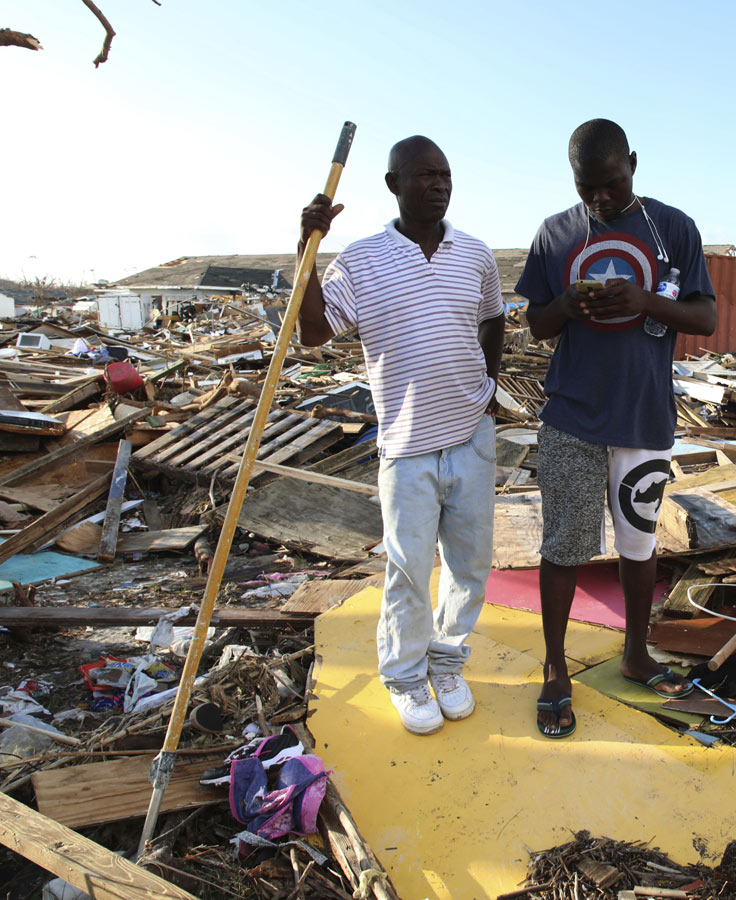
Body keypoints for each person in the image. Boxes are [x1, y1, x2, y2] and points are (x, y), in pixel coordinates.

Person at [297, 135, 505, 736]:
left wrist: (486, 387)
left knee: (469, 568)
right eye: (424, 175)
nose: (438, 184)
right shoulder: (360, 261)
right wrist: (307, 250)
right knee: (409, 571)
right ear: (393, 184)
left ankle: (446, 662)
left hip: (472, 436)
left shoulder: (475, 254)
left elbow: (492, 318)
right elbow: (314, 332)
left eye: (445, 174)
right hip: (408, 445)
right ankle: (405, 676)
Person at [517, 119, 718, 738]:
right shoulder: (556, 233)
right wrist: (568, 305)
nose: (599, 199)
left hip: (643, 418)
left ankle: (635, 653)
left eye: (611, 184)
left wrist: (644, 301)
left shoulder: (673, 228)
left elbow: (706, 317)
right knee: (564, 547)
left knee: (639, 547)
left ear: (633, 163)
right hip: (571, 417)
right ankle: (556, 668)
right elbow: (536, 326)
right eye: (587, 188)